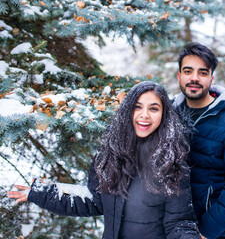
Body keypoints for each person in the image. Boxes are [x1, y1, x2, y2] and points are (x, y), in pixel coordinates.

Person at [8, 81, 202, 239]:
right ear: (128, 111)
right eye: (137, 107)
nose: (144, 115)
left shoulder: (172, 162)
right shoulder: (109, 154)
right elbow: (95, 201)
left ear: (163, 115)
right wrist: (44, 194)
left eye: (153, 108)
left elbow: (179, 223)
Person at [172, 42, 225, 239]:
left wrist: (207, 230)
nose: (194, 78)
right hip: (169, 227)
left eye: (202, 73)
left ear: (211, 79)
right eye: (188, 71)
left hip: (209, 231)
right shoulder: (168, 114)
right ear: (179, 76)